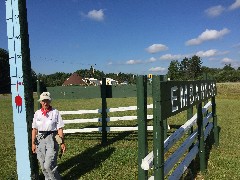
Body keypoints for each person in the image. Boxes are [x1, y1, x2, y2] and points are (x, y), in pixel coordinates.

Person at [32, 92, 66, 180]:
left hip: (52, 138)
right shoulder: (37, 113)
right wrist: (33, 143)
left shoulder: (55, 112)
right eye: (43, 101)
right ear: (40, 102)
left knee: (48, 165)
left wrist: (62, 143)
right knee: (43, 166)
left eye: (47, 100)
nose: (45, 103)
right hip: (40, 139)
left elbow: (60, 129)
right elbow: (34, 129)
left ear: (50, 101)